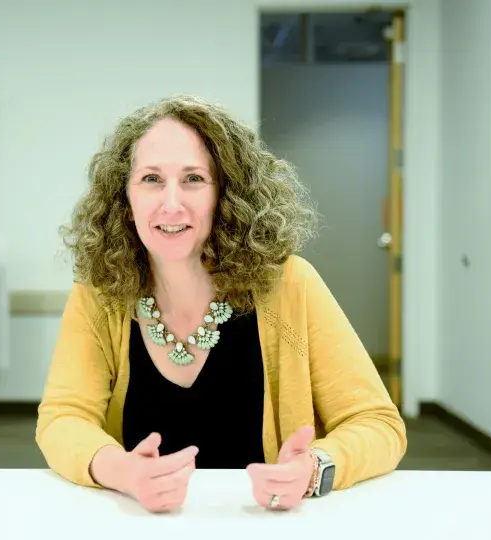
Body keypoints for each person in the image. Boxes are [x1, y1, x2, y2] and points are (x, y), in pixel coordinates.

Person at [35, 94, 407, 513]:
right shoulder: (99, 293)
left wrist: (313, 468)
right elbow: (63, 419)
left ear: (226, 193)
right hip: (142, 527)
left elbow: (378, 424)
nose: (171, 203)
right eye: (151, 179)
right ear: (125, 198)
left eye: (194, 179)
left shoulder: (289, 284)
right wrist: (124, 472)